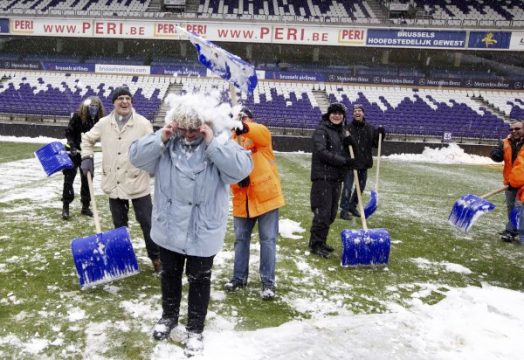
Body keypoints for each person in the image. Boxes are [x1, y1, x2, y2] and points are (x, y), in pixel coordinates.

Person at [128, 96, 252, 356]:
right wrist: (161, 136)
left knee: (199, 280)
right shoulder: (166, 143)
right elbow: (136, 157)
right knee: (169, 276)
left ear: (204, 126)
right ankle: (168, 317)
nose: (187, 135)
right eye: (182, 129)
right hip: (169, 226)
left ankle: (195, 329)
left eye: (193, 130)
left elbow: (241, 169)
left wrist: (214, 143)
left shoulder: (216, 144)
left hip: (202, 227)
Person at [80, 86, 161, 273]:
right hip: (114, 182)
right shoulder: (103, 123)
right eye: (120, 98)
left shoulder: (142, 123)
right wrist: (86, 158)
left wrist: (151, 165)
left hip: (137, 182)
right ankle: (123, 260)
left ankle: (156, 259)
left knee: (148, 223)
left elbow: (154, 146)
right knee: (119, 226)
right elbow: (87, 140)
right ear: (114, 102)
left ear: (131, 101)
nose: (124, 102)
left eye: (127, 98)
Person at [224, 107, 285, 300]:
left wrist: (245, 126)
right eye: (238, 118)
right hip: (243, 200)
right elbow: (225, 168)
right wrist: (237, 179)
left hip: (266, 197)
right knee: (241, 241)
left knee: (268, 241)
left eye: (245, 117)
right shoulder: (229, 141)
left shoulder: (259, 134)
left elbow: (261, 133)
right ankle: (239, 277)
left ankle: (268, 282)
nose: (242, 120)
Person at [309, 102, 361, 258]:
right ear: (328, 115)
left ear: (343, 116)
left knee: (331, 214)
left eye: (340, 113)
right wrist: (344, 162)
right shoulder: (321, 130)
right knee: (322, 213)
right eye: (334, 113)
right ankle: (315, 244)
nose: (337, 115)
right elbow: (322, 152)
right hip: (322, 177)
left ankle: (321, 241)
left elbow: (351, 154)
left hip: (336, 178)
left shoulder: (342, 132)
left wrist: (351, 144)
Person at [339, 104, 385, 220]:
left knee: (361, 187)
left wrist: (381, 134)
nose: (357, 112)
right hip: (350, 163)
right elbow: (341, 144)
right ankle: (344, 210)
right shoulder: (347, 128)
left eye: (359, 110)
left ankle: (352, 206)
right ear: (353, 114)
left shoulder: (370, 129)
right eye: (355, 111)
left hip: (363, 163)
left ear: (363, 113)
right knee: (347, 187)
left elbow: (375, 144)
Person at [62, 96, 105, 220]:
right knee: (69, 179)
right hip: (74, 151)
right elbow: (69, 131)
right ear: (86, 108)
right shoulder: (77, 116)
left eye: (96, 107)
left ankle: (85, 206)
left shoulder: (99, 120)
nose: (94, 109)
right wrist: (72, 145)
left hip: (87, 152)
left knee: (87, 179)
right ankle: (66, 206)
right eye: (91, 107)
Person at [490, 120, 524, 242]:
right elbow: (496, 155)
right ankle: (513, 229)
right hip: (510, 181)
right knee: (511, 207)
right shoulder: (505, 142)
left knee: (519, 207)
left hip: (522, 182)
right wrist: (496, 154)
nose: (513, 131)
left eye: (517, 129)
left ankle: (512, 231)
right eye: (511, 129)